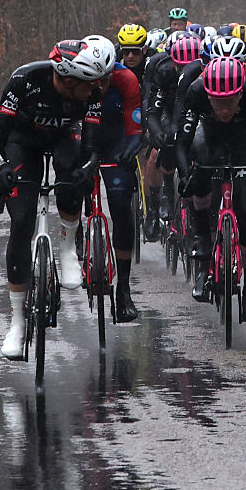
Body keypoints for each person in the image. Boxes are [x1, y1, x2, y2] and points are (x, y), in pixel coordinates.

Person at [0, 36, 114, 358]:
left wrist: (88, 168)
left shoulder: (92, 93)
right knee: (22, 220)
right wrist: (1, 169)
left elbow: (92, 146)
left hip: (65, 138)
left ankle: (68, 246)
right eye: (90, 83)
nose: (96, 89)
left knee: (70, 171)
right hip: (21, 142)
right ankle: (16, 322)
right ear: (69, 81)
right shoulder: (25, 79)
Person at [176, 57, 246, 323]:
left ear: (240, 94)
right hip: (209, 137)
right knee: (199, 180)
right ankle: (202, 249)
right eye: (217, 103)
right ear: (208, 95)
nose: (223, 109)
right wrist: (186, 174)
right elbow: (182, 143)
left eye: (229, 103)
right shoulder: (197, 91)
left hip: (245, 137)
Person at [93, 60, 144, 322]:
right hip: (84, 140)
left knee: (122, 209)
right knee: (73, 184)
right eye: (95, 81)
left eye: (105, 80)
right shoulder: (74, 81)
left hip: (116, 143)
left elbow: (135, 125)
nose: (100, 86)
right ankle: (78, 235)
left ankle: (123, 290)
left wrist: (132, 145)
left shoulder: (126, 79)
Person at [140, 35, 202, 238]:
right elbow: (152, 107)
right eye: (180, 67)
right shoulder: (163, 70)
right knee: (156, 154)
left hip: (194, 112)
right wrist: (156, 132)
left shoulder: (205, 73)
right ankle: (156, 207)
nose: (185, 72)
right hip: (168, 112)